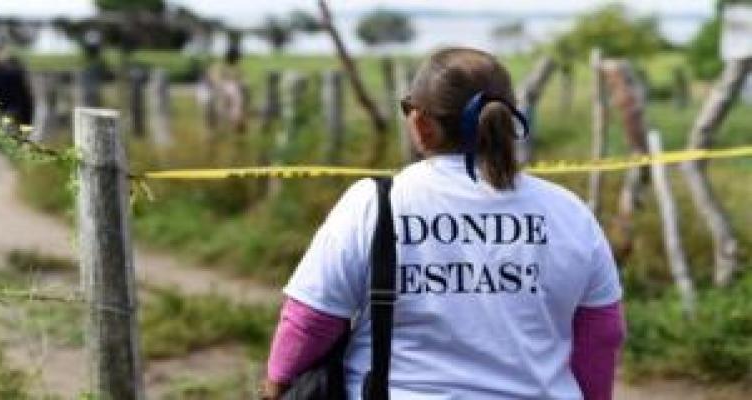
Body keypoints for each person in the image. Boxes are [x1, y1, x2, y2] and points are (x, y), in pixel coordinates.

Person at [262, 48, 625, 399]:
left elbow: (312, 319)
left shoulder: (376, 203)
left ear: (420, 122)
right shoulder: (569, 212)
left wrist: (277, 386)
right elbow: (602, 332)